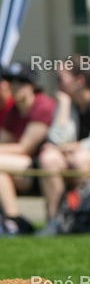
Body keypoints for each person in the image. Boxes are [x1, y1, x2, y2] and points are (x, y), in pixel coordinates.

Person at [36, 55, 90, 232]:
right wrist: (64, 103)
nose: (57, 84)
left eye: (60, 78)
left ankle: (84, 217)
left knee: (80, 159)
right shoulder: (66, 101)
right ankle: (55, 222)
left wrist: (73, 147)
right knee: (48, 158)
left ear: (79, 81)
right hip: (74, 156)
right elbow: (56, 140)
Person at [0, 62, 57, 235]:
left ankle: (15, 222)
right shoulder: (14, 110)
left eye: (21, 81)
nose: (15, 86)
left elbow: (25, 148)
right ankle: (13, 222)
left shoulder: (42, 105)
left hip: (46, 167)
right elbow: (4, 142)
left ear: (32, 84)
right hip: (26, 168)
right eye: (11, 81)